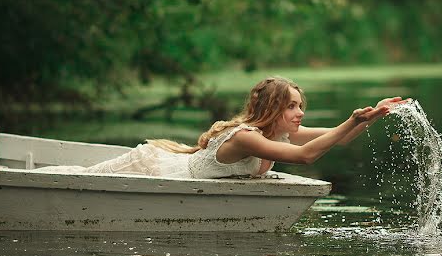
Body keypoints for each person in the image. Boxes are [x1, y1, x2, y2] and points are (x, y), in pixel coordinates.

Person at [36, 76, 405, 179]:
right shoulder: (246, 138)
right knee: (78, 177)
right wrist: (354, 119)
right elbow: (307, 157)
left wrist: (372, 116)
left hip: (175, 169)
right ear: (272, 109)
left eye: (300, 107)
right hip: (151, 168)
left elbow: (335, 141)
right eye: (291, 106)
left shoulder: (279, 133)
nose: (299, 115)